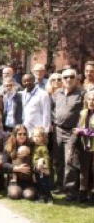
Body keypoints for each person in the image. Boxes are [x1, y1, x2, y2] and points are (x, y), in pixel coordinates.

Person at [51, 68, 83, 200]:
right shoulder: (57, 93)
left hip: (72, 131)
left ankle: (70, 190)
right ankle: (59, 186)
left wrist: (79, 128)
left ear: (76, 79)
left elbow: (85, 112)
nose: (68, 79)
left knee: (70, 160)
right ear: (62, 80)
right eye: (65, 77)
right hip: (58, 130)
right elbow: (53, 109)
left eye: (71, 77)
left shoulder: (82, 94)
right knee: (58, 160)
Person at [3, 125, 36, 200]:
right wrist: (16, 168)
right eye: (19, 134)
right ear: (15, 134)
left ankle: (27, 191)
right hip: (15, 180)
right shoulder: (9, 146)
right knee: (14, 195)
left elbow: (36, 159)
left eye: (24, 134)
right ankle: (16, 190)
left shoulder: (31, 145)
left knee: (29, 196)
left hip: (28, 180)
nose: (22, 136)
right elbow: (4, 164)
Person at [74, 90, 94, 203]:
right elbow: (78, 126)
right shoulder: (83, 113)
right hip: (84, 146)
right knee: (84, 170)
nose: (91, 102)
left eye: (93, 100)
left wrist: (82, 131)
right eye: (90, 99)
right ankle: (83, 192)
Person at [32, 127, 53, 204]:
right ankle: (41, 197)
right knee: (38, 184)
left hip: (43, 170)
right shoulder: (35, 147)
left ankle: (49, 198)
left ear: (43, 137)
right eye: (35, 136)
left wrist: (47, 168)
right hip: (36, 170)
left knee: (45, 184)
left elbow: (46, 158)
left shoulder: (43, 147)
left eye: (38, 136)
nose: (36, 138)